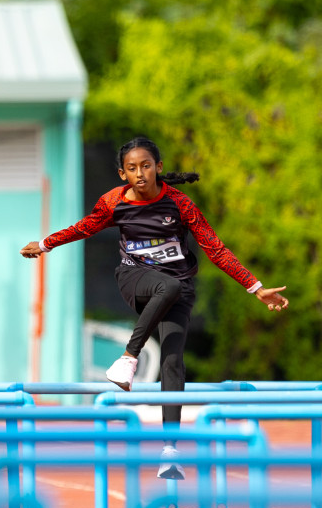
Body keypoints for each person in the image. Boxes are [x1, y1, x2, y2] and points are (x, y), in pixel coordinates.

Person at [23, 137, 287, 479]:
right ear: (122, 174)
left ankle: (170, 450)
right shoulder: (113, 203)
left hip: (179, 289)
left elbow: (215, 249)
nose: (140, 174)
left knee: (174, 359)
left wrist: (256, 287)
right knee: (169, 285)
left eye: (146, 166)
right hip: (136, 281)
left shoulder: (179, 204)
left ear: (158, 168)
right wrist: (44, 244)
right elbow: (83, 228)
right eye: (132, 169)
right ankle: (129, 357)